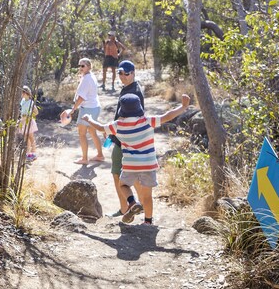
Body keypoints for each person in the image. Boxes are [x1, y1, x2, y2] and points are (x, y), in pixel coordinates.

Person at [85, 92, 190, 225]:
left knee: (123, 185)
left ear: (121, 110)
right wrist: (183, 107)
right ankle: (148, 221)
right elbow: (167, 116)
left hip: (130, 165)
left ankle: (132, 202)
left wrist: (89, 119)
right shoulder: (147, 121)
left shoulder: (118, 125)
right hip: (148, 165)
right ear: (139, 108)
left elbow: (100, 128)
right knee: (147, 196)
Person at [106, 60, 145, 218]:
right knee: (122, 175)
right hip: (121, 139)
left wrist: (114, 131)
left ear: (133, 73)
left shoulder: (134, 91)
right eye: (120, 73)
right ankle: (128, 208)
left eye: (126, 73)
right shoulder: (129, 88)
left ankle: (132, 208)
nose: (122, 76)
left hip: (125, 141)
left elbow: (131, 119)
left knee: (122, 175)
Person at [60, 58, 104, 165]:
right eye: (79, 66)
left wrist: (73, 109)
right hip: (94, 107)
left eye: (83, 66)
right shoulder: (90, 76)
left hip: (87, 109)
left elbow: (81, 97)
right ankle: (100, 155)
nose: (80, 68)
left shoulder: (86, 79)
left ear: (89, 66)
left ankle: (84, 158)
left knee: (82, 133)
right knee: (93, 133)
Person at [18, 86, 39, 162]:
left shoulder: (31, 102)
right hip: (23, 121)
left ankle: (34, 153)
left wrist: (29, 116)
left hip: (29, 121)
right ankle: (28, 153)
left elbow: (36, 112)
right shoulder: (23, 101)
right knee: (26, 137)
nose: (21, 94)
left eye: (22, 93)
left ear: (25, 93)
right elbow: (22, 110)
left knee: (31, 136)